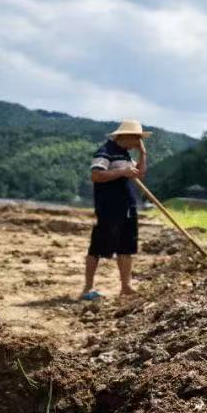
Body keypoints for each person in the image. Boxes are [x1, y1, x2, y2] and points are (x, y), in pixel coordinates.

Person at [81, 119, 149, 300]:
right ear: (125, 136)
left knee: (126, 247)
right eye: (136, 139)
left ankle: (126, 286)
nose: (137, 142)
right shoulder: (105, 151)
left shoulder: (125, 154)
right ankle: (87, 288)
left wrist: (143, 153)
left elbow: (140, 173)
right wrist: (121, 173)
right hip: (109, 207)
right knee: (98, 246)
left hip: (128, 206)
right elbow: (96, 175)